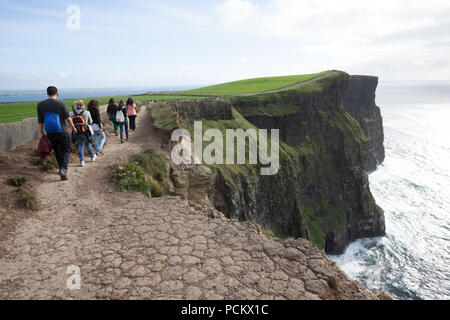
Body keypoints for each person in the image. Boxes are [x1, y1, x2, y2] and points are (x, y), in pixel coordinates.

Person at [37, 86, 77, 181]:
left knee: (57, 151)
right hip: (62, 131)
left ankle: (61, 168)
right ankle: (63, 169)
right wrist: (73, 127)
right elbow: (68, 118)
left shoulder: (40, 105)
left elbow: (40, 121)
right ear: (57, 93)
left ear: (47, 93)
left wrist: (42, 131)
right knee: (66, 150)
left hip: (50, 132)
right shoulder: (61, 104)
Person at [70, 100, 96, 167]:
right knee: (88, 144)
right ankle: (92, 157)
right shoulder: (87, 112)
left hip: (76, 131)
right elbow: (91, 122)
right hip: (85, 131)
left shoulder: (71, 113)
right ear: (83, 105)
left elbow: (69, 123)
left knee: (80, 146)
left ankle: (82, 161)